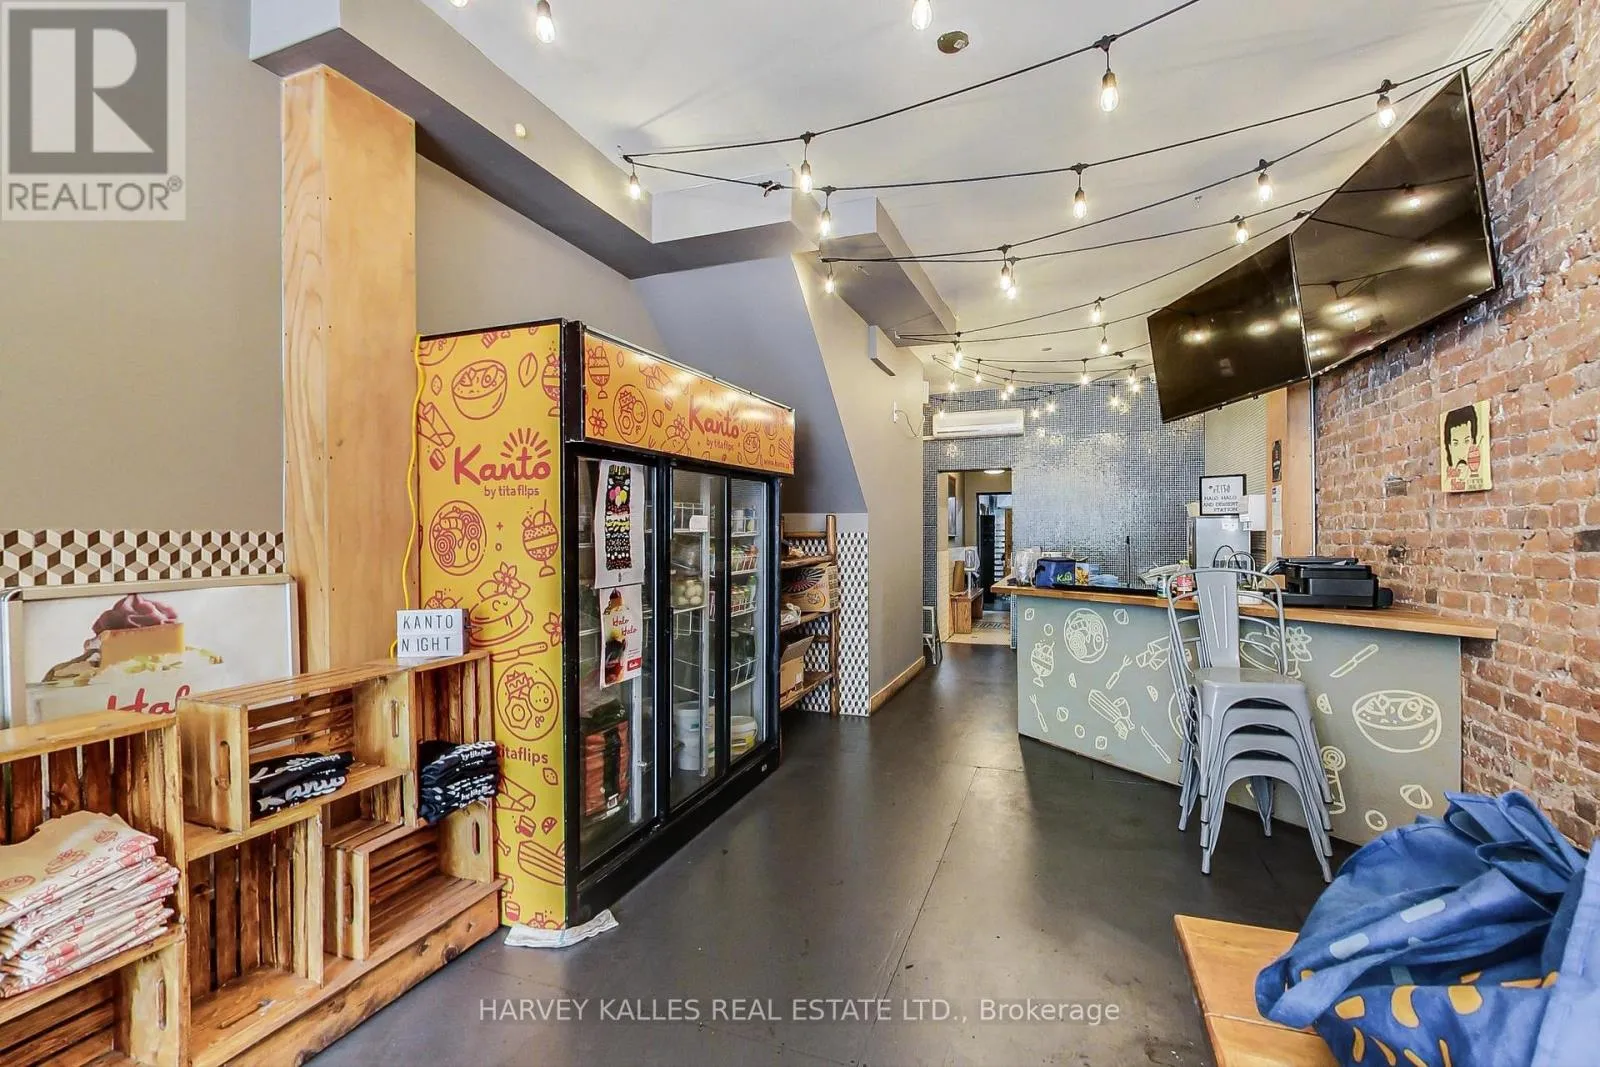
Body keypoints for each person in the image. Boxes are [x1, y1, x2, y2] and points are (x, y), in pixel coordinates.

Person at [1442, 403, 1484, 491]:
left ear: (1473, 442)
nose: (1461, 452)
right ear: (1449, 447)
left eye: (1466, 441)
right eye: (1455, 443)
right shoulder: (1447, 482)